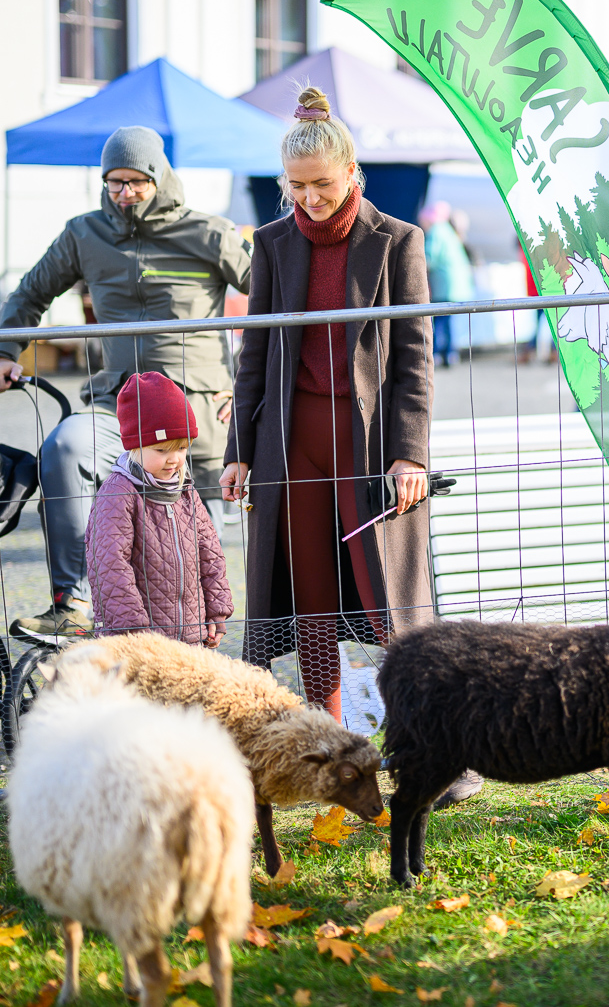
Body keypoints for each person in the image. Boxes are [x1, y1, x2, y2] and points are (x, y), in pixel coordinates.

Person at [220, 87, 450, 793]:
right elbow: (252, 357)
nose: (310, 199)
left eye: (322, 184)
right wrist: (238, 450)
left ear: (353, 173)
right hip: (291, 445)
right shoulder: (271, 243)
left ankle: (433, 741)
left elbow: (415, 354)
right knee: (312, 598)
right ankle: (325, 751)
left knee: (390, 600)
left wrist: (411, 450)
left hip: (372, 444)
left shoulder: (399, 241)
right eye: (296, 188)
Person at [0, 126, 251, 643]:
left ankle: (205, 668)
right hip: (116, 409)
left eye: (135, 182)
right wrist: (1, 352)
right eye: (113, 183)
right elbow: (29, 293)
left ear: (158, 176)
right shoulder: (84, 234)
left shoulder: (209, 232)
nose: (123, 194)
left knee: (186, 561)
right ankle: (73, 604)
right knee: (65, 447)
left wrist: (247, 384)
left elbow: (274, 301)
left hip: (196, 420)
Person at [84, 372, 231, 647]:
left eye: (182, 448)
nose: (174, 459)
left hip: (192, 636)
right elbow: (109, 565)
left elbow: (210, 553)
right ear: (135, 446)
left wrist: (216, 611)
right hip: (139, 642)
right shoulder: (119, 494)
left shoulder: (185, 490)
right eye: (162, 450)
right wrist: (134, 631)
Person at [419, 200, 473, 368]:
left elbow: (429, 258)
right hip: (455, 284)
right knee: (448, 321)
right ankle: (450, 354)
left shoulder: (436, 231)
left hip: (444, 285)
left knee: (438, 321)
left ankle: (437, 354)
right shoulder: (448, 230)